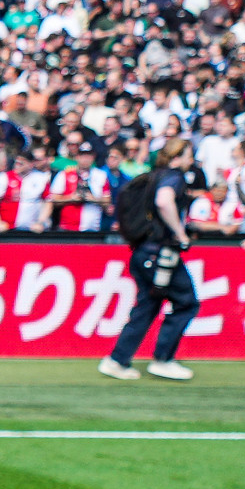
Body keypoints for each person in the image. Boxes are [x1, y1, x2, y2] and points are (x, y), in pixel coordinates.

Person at [100, 139, 201, 382]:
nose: (191, 160)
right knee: (186, 302)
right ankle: (163, 359)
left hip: (143, 251)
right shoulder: (174, 177)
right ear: (178, 157)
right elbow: (164, 201)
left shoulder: (153, 176)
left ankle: (117, 360)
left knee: (148, 306)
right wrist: (180, 233)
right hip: (160, 252)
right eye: (189, 155)